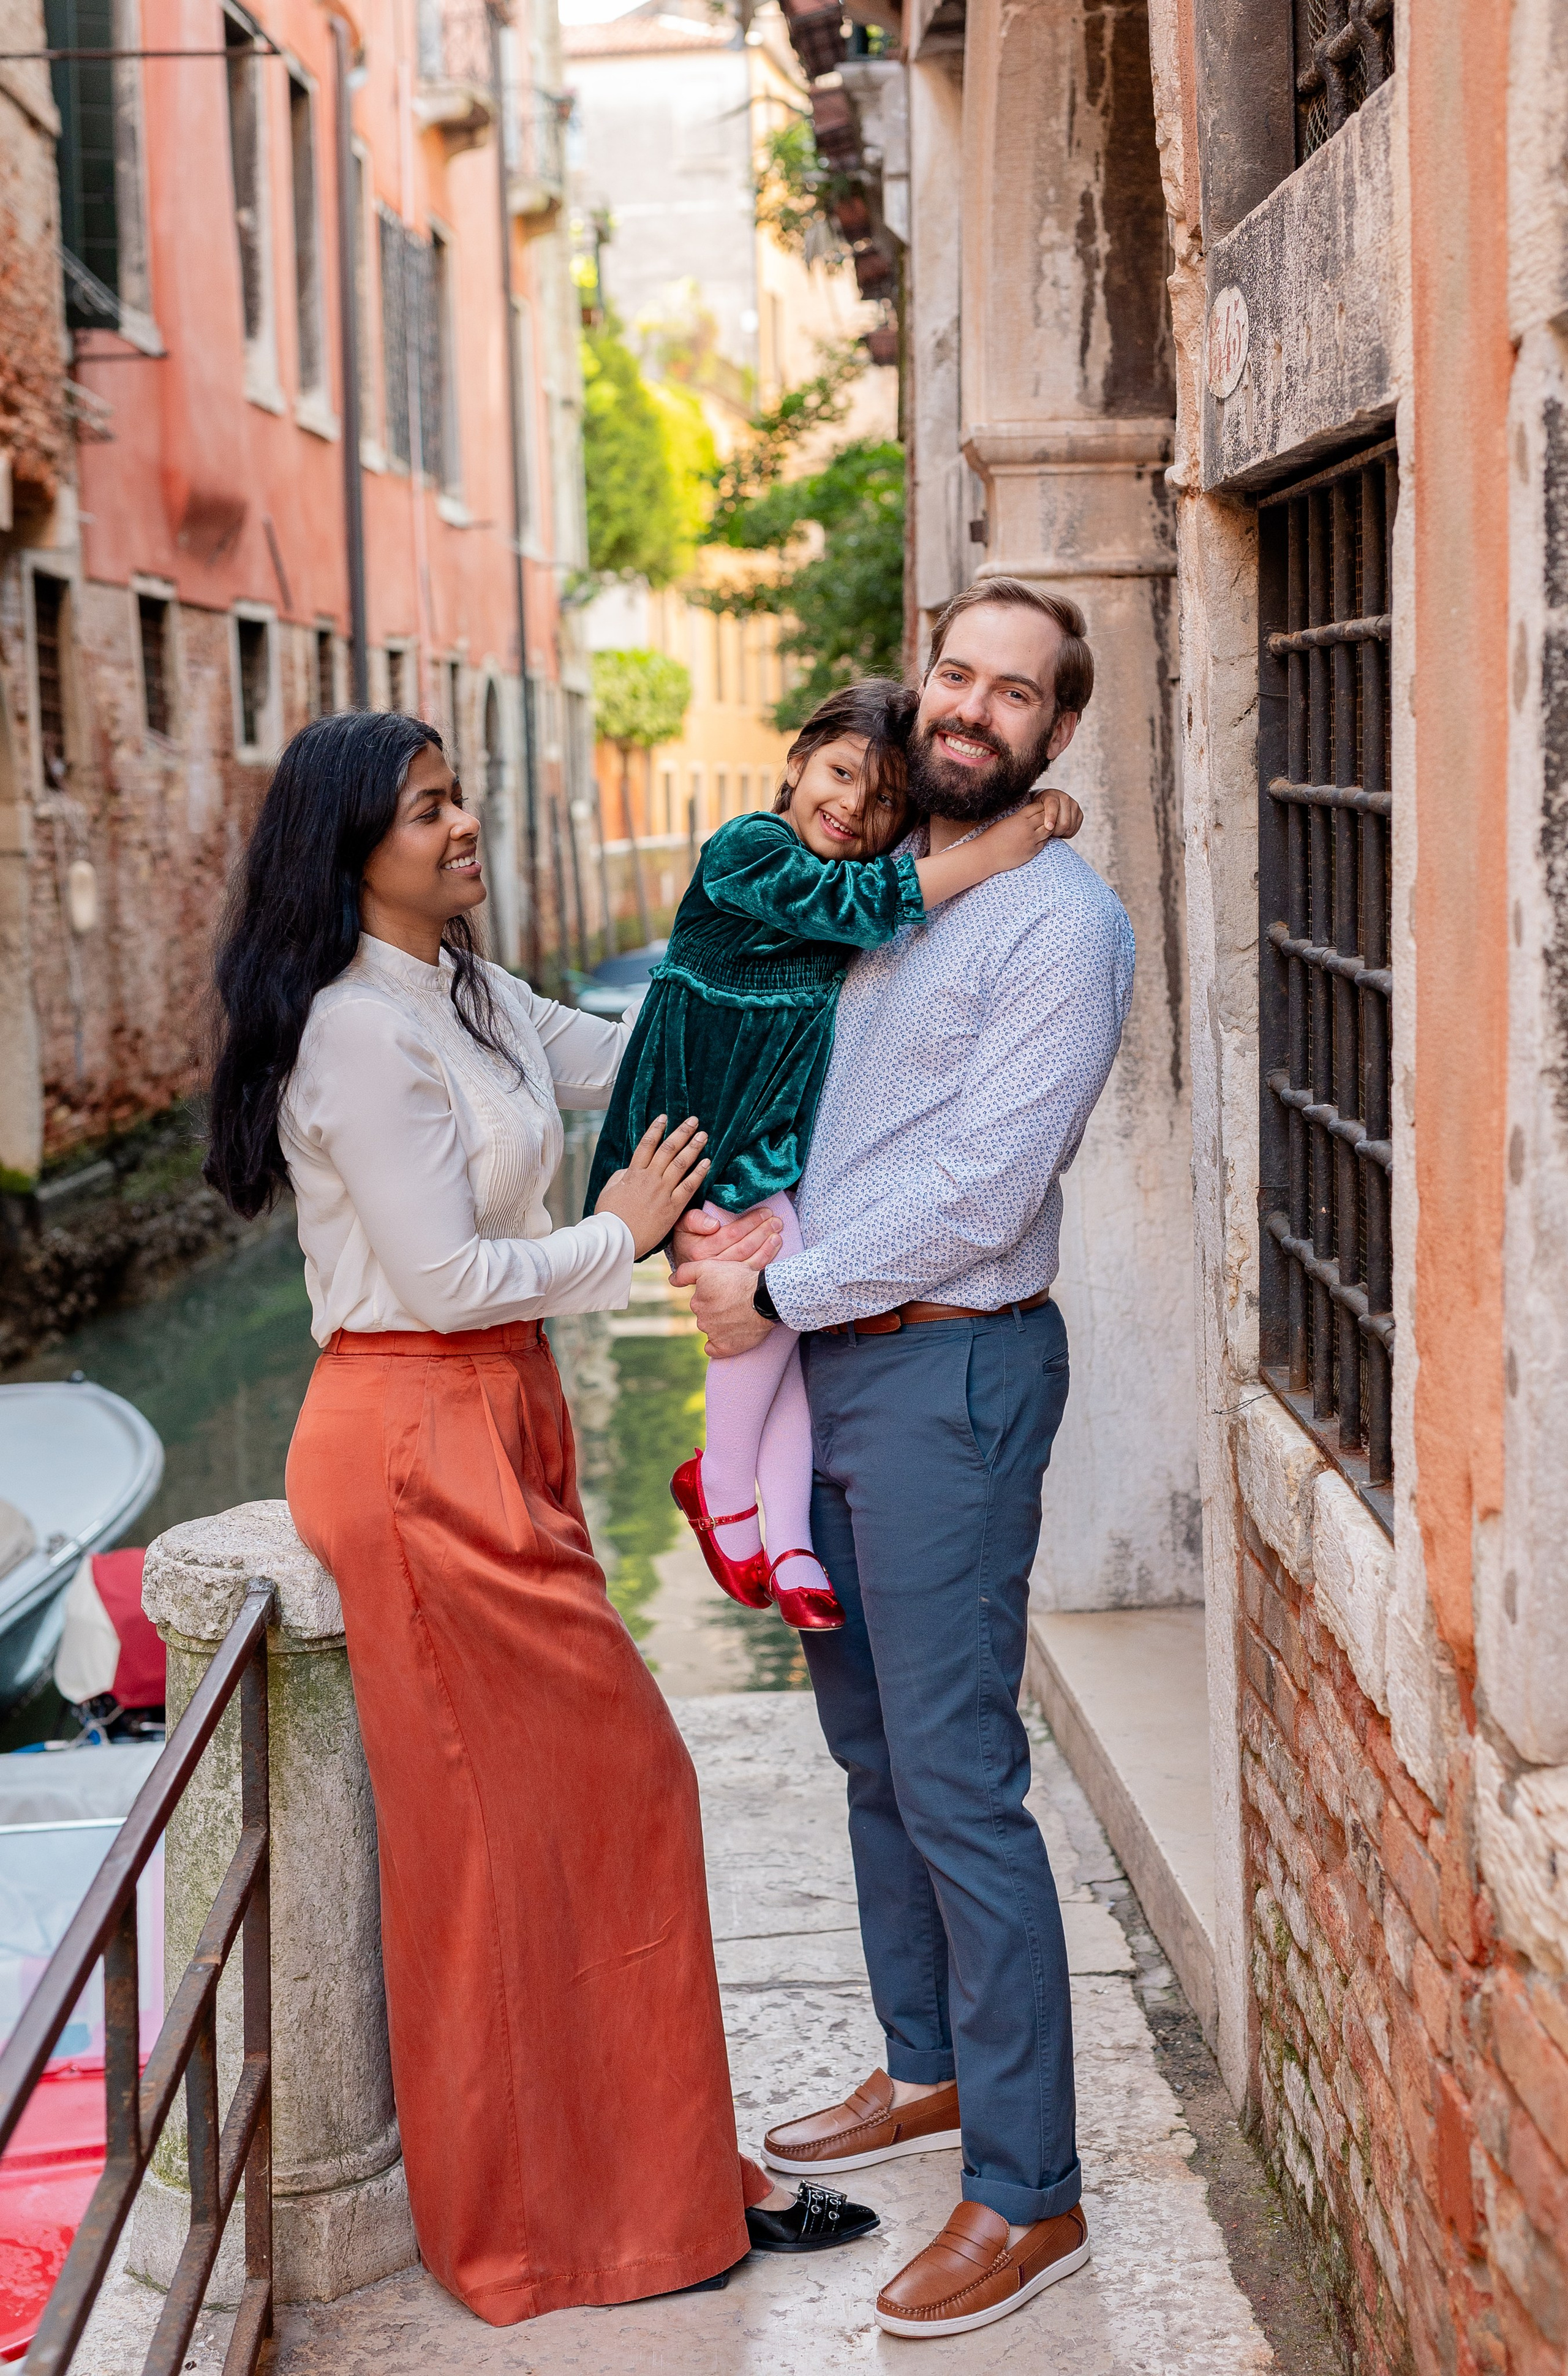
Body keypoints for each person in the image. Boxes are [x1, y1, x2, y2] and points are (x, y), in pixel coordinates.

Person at [202, 709, 879, 2325]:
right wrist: (621, 1228)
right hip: (416, 1430)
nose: (460, 825)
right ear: (350, 844)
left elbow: (635, 1058)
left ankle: (665, 2175)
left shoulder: (463, 986)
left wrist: (814, 944)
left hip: (501, 1417)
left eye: (457, 796)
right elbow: (442, 1277)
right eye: (427, 808)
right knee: (547, 1814)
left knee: (578, 1815)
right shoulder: (358, 1033)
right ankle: (541, 2220)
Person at [676, 580, 1136, 2342]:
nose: (973, 707)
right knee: (870, 1750)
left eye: (1015, 693)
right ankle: (930, 2066)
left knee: (957, 1777)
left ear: (1054, 734)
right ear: (915, 683)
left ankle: (1034, 2191)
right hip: (823, 1368)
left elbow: (982, 1190)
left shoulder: (1059, 931)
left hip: (950, 1375)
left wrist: (769, 1281)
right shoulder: (877, 895)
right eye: (956, 671)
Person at [585, 680, 1081, 1633]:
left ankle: (790, 1538)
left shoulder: (869, 870)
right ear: (796, 763)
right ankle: (722, 1482)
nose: (854, 805)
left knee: (785, 1327)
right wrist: (996, 852)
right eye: (841, 773)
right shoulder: (749, 850)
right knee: (767, 1302)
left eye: (885, 798)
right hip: (700, 1139)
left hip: (766, 1154)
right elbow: (854, 901)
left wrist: (1039, 810)